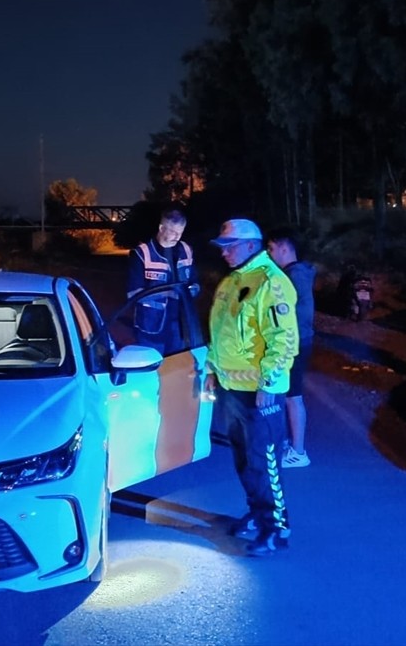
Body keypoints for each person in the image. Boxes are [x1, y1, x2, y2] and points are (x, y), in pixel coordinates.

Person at [204, 218, 300, 557]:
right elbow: (221, 331)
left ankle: (276, 528)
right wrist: (212, 369)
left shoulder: (271, 282)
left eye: (230, 246)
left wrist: (270, 384)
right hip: (232, 389)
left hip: (261, 393)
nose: (225, 253)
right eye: (222, 247)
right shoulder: (232, 282)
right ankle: (259, 513)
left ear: (250, 245)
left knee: (265, 460)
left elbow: (284, 340)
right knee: (244, 461)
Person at [266, 227, 316, 469]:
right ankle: (291, 445)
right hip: (297, 341)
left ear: (284, 248)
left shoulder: (293, 276)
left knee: (293, 398)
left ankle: (298, 452)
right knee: (287, 396)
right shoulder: (297, 273)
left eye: (272, 248)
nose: (269, 253)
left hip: (295, 343)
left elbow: (297, 314)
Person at [126, 209, 201, 354]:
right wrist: (169, 293)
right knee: (152, 370)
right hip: (151, 327)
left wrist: (191, 291)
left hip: (180, 326)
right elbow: (133, 294)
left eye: (180, 232)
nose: (177, 237)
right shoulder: (142, 254)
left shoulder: (186, 250)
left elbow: (195, 282)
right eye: (173, 232)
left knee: (174, 369)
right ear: (161, 228)